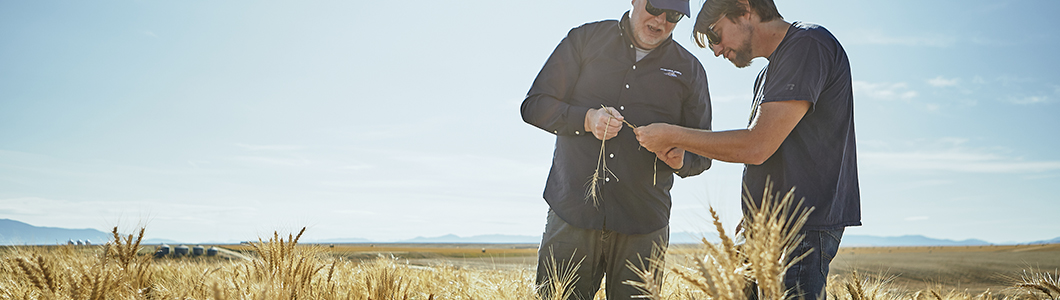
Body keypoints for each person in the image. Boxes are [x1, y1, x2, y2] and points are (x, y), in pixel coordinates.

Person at [633, 0, 861, 299]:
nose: (716, 50)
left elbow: (757, 146)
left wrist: (674, 135)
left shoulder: (808, 44)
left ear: (744, 9)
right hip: (761, 229)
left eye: (715, 35)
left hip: (799, 229)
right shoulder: (766, 75)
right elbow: (770, 153)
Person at [520, 0, 712, 298]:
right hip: (572, 214)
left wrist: (681, 159)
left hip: (644, 225)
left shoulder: (690, 70)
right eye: (655, 7)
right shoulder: (585, 40)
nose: (660, 20)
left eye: (673, 15)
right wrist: (586, 119)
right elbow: (535, 105)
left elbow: (703, 153)